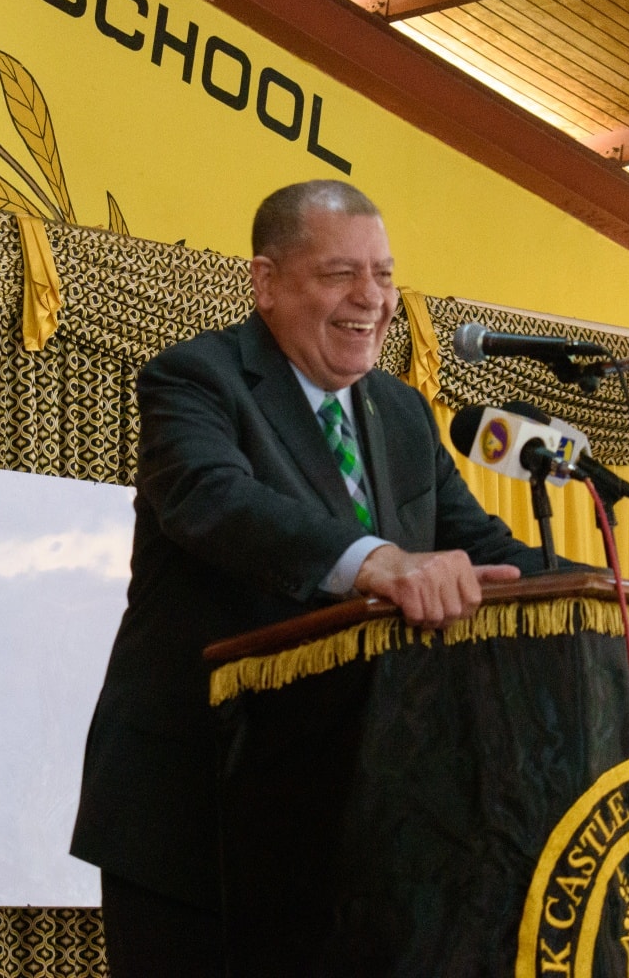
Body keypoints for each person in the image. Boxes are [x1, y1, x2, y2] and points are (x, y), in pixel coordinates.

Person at [69, 180, 551, 976]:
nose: (373, 299)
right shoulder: (196, 379)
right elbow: (214, 502)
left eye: (386, 275)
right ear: (265, 282)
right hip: (198, 811)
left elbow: (483, 546)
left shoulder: (400, 411)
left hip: (355, 815)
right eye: (341, 275)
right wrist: (378, 562)